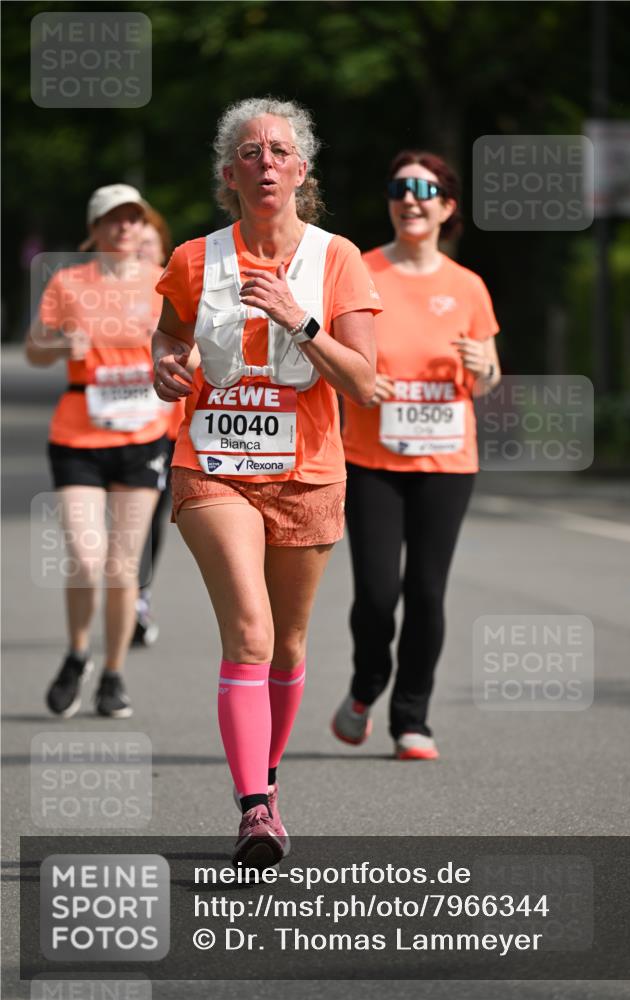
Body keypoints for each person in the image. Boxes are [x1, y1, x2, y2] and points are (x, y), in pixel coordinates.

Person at [151, 97, 379, 867]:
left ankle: (268, 781)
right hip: (212, 467)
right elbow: (168, 340)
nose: (266, 162)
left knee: (286, 646)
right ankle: (254, 810)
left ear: (302, 170)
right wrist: (165, 368)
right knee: (247, 631)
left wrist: (299, 319)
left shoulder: (337, 258)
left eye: (280, 150)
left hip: (308, 475)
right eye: (250, 152)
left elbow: (364, 385)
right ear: (229, 173)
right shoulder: (193, 259)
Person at [332, 151, 501, 761]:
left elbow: (485, 376)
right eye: (399, 187)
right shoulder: (360, 273)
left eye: (424, 190)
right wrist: (359, 382)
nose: (410, 199)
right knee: (378, 594)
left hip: (448, 462)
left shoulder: (467, 287)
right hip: (371, 457)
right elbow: (333, 359)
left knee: (427, 592)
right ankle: (364, 686)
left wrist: (484, 369)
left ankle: (412, 718)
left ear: (446, 207)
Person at [25, 184, 171, 719]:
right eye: (113, 220)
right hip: (79, 436)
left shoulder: (162, 282)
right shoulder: (68, 282)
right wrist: (65, 345)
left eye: (134, 219)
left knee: (121, 564)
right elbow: (36, 349)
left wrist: (181, 358)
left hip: (142, 436)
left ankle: (113, 675)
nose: (125, 228)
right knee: (87, 559)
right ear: (96, 229)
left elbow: (188, 345)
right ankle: (76, 653)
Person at [132, 206, 188, 646]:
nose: (141, 249)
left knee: (152, 512)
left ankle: (140, 593)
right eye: (137, 243)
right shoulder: (110, 290)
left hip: (168, 422)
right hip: (119, 419)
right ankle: (127, 592)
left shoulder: (171, 288)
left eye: (149, 243)